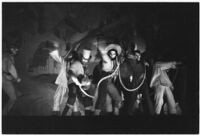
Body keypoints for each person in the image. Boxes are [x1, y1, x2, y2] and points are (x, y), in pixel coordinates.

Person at [62, 49, 94, 116]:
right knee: (73, 99)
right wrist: (77, 81)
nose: (85, 61)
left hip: (80, 85)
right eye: (84, 59)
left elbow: (88, 76)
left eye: (86, 60)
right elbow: (71, 73)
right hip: (75, 84)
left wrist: (88, 80)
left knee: (86, 100)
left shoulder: (82, 66)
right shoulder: (76, 64)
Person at [94, 44, 122, 115]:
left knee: (117, 98)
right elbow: (104, 56)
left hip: (109, 81)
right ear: (108, 54)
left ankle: (116, 113)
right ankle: (96, 114)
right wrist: (102, 50)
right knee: (102, 99)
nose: (112, 55)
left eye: (114, 54)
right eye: (111, 53)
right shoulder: (106, 59)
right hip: (103, 79)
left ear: (116, 54)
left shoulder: (116, 62)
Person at [48, 43, 69, 116]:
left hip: (64, 83)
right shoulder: (65, 62)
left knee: (57, 97)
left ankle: (56, 112)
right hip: (63, 82)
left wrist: (53, 51)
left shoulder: (65, 62)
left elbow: (59, 58)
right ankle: (56, 112)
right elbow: (59, 58)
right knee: (57, 98)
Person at [2, 44, 21, 115]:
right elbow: (4, 70)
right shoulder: (6, 57)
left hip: (7, 79)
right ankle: (4, 114)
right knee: (13, 98)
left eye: (16, 49)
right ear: (10, 49)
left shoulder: (10, 57)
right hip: (4, 79)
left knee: (17, 95)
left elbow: (11, 69)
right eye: (14, 49)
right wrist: (13, 78)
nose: (16, 51)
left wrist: (16, 78)